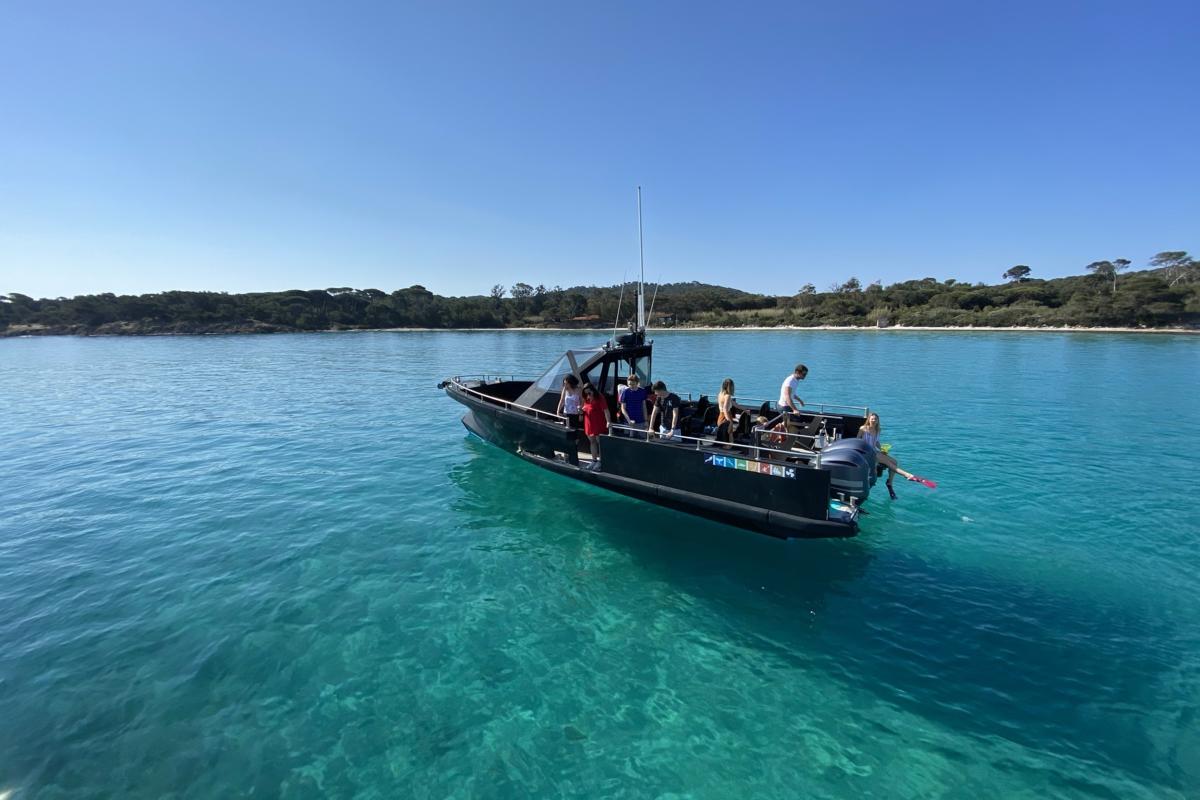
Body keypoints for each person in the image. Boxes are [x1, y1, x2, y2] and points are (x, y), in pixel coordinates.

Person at [858, 411, 915, 499]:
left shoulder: (878, 430)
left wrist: (881, 449)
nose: (873, 420)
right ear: (869, 419)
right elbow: (857, 440)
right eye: (872, 419)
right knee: (889, 463)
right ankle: (907, 475)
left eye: (875, 419)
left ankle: (889, 483)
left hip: (875, 451)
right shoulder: (863, 429)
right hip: (866, 452)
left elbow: (876, 442)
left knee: (895, 462)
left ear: (878, 421)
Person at [581, 384, 612, 468]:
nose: (588, 394)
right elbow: (585, 407)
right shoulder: (586, 398)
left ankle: (601, 461)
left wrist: (608, 421)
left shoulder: (600, 397)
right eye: (586, 392)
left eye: (589, 392)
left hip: (598, 423)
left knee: (599, 442)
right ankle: (594, 460)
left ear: (592, 390)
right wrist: (581, 410)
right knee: (592, 441)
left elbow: (606, 410)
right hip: (589, 423)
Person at [716, 377, 737, 443]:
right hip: (726, 416)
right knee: (729, 434)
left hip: (721, 416)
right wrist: (729, 421)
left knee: (726, 435)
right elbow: (725, 409)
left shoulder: (720, 394)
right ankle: (730, 447)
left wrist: (745, 410)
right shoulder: (727, 396)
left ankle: (729, 446)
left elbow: (734, 404)